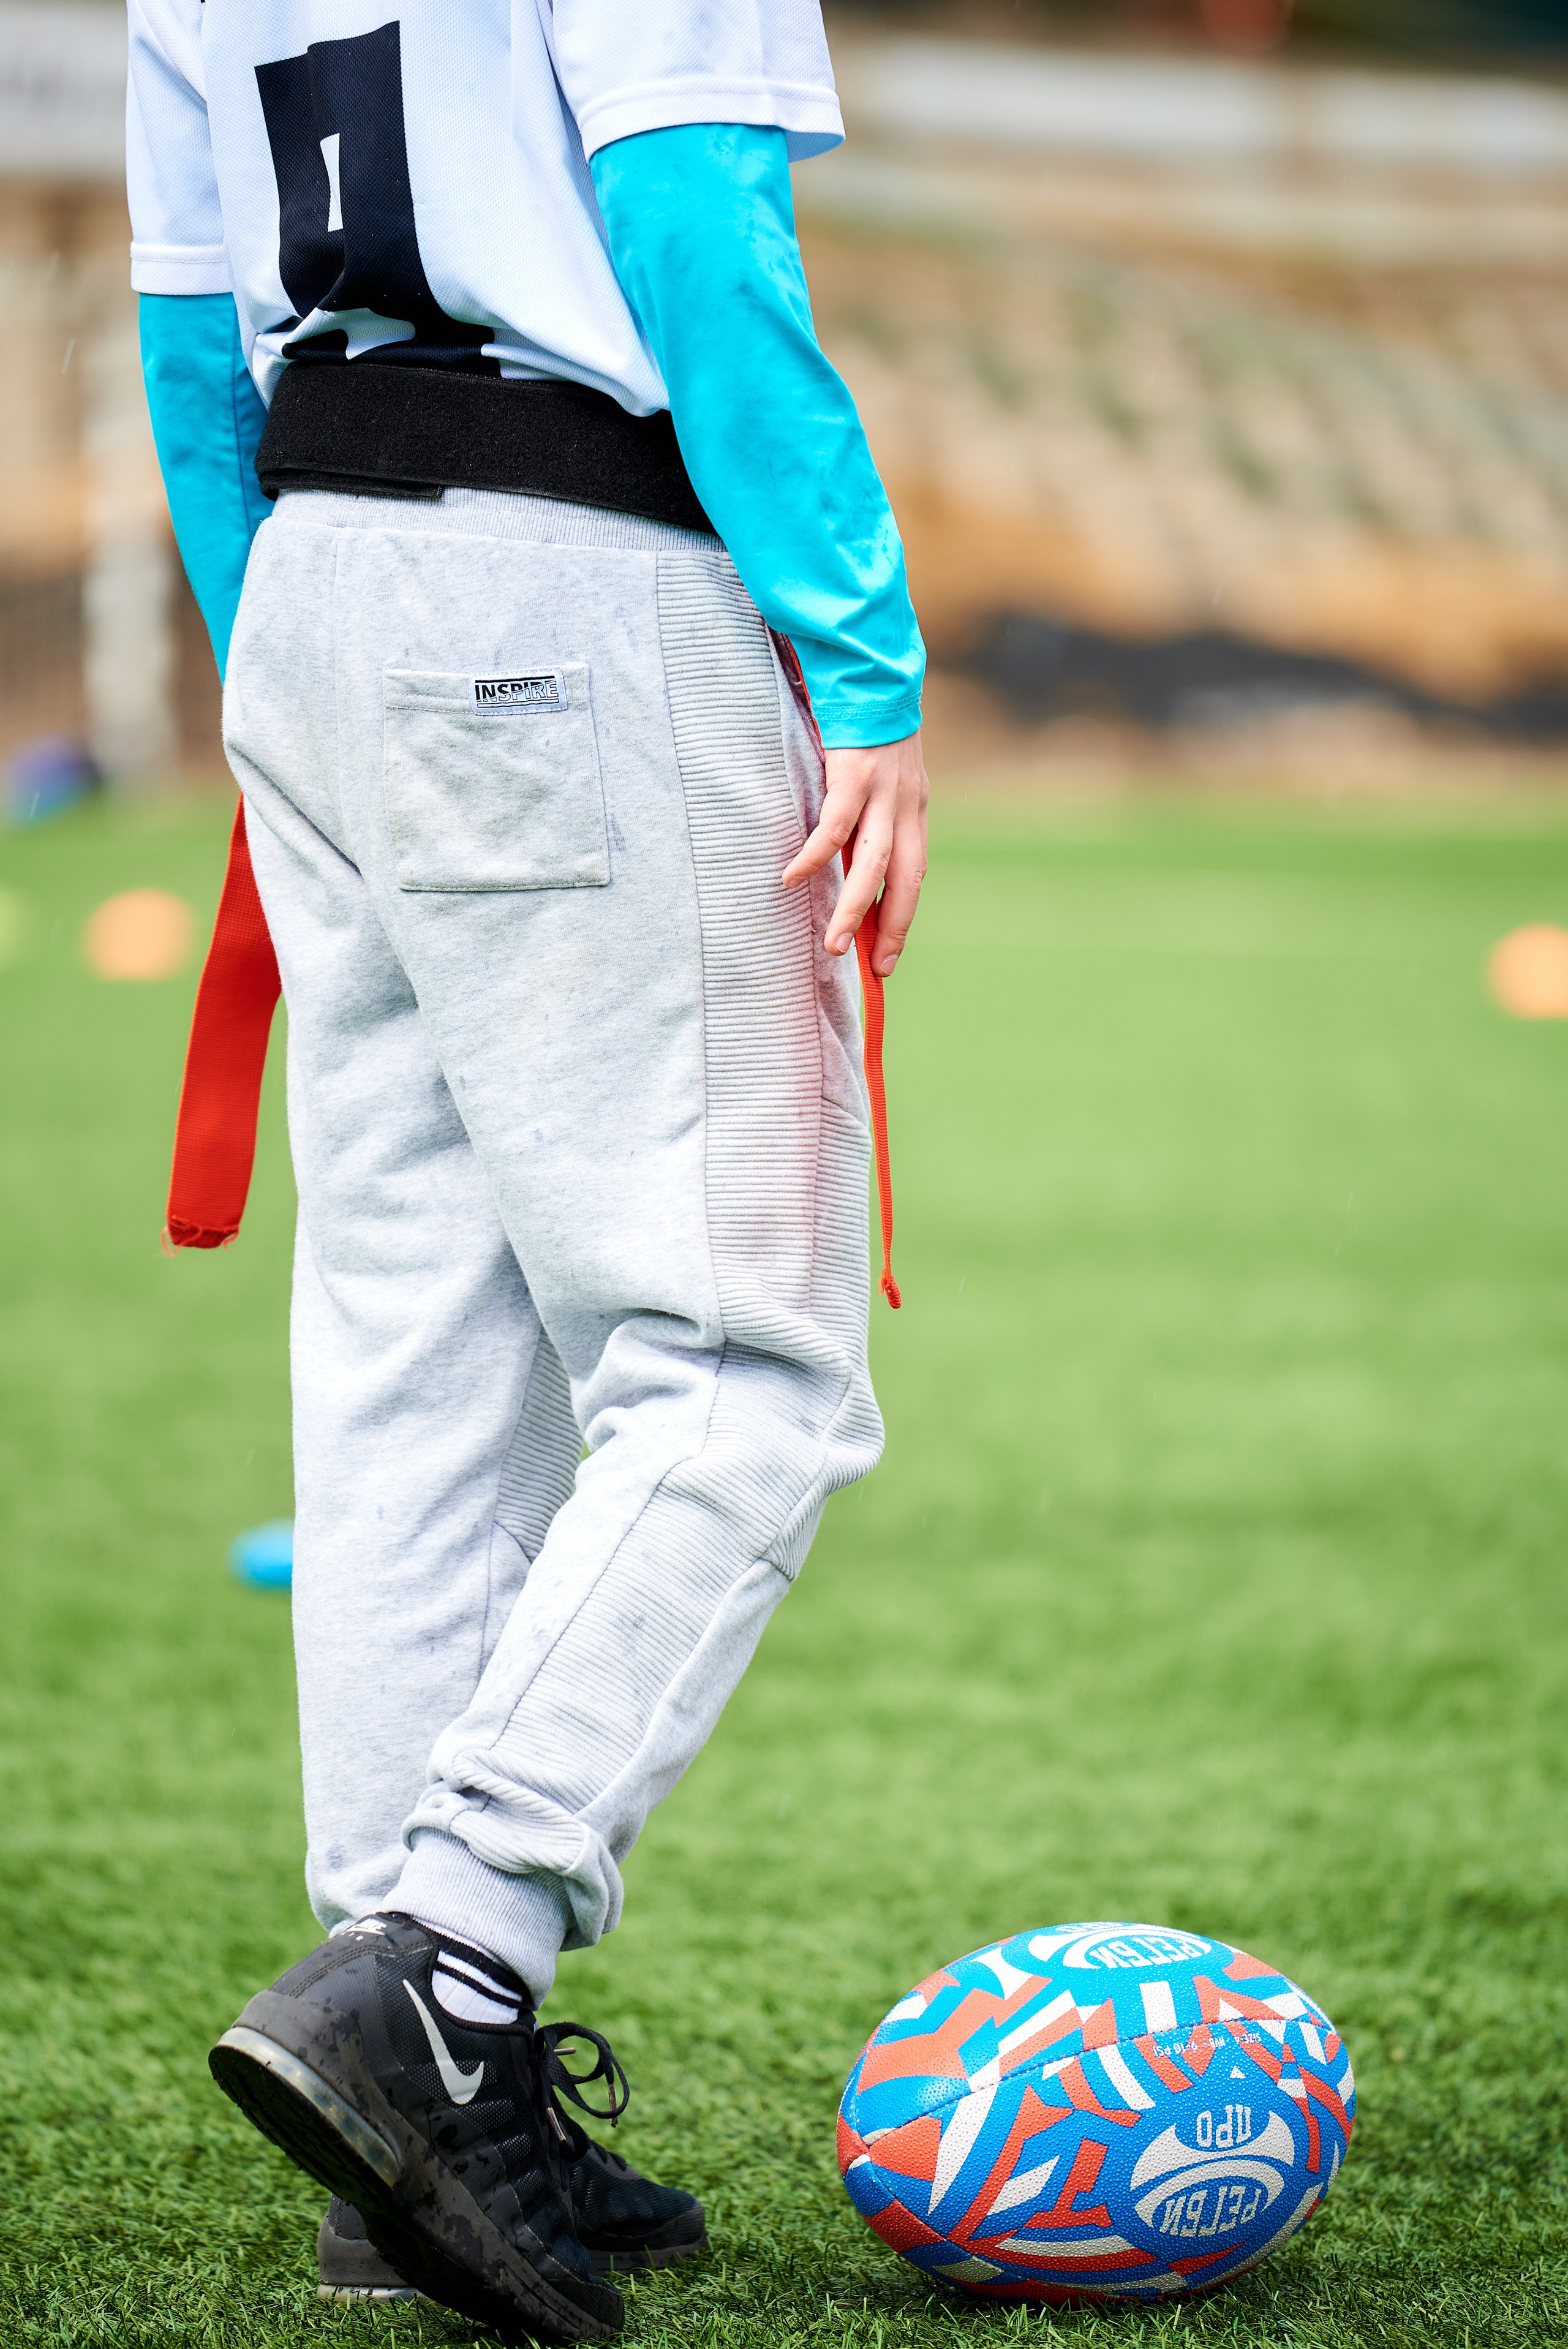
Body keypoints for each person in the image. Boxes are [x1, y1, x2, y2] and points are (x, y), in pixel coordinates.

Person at [127, 1, 928, 2335]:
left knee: (410, 1367)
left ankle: (421, 2149)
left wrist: (295, 694)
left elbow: (197, 349)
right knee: (737, 1369)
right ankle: (443, 1965)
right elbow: (691, 218)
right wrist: (862, 667)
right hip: (573, 573)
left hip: (319, 587)